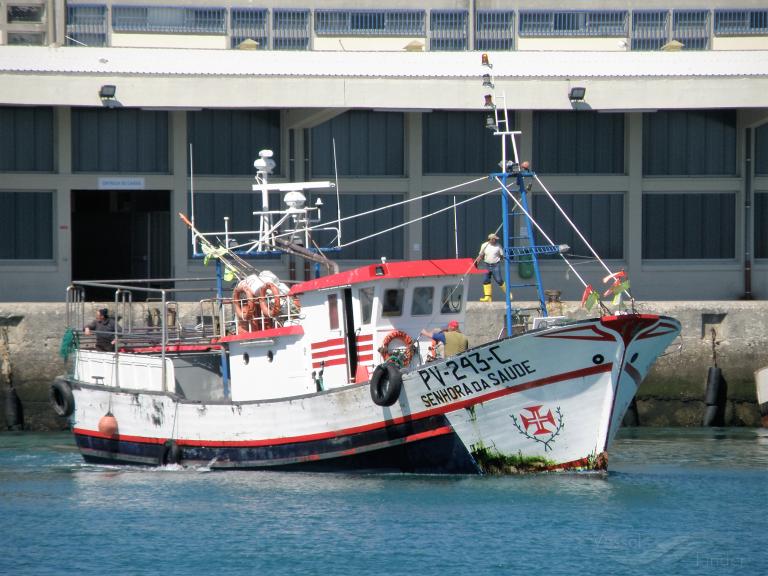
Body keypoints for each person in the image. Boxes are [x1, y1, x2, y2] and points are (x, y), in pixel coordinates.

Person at [475, 232, 505, 302]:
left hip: (496, 265)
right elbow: (481, 255)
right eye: (494, 239)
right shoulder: (484, 245)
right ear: (490, 239)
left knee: (499, 280)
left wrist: (502, 258)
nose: (496, 240)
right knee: (486, 280)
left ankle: (508, 294)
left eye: (496, 239)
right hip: (486, 264)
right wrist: (476, 263)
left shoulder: (498, 246)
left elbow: (502, 256)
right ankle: (488, 297)